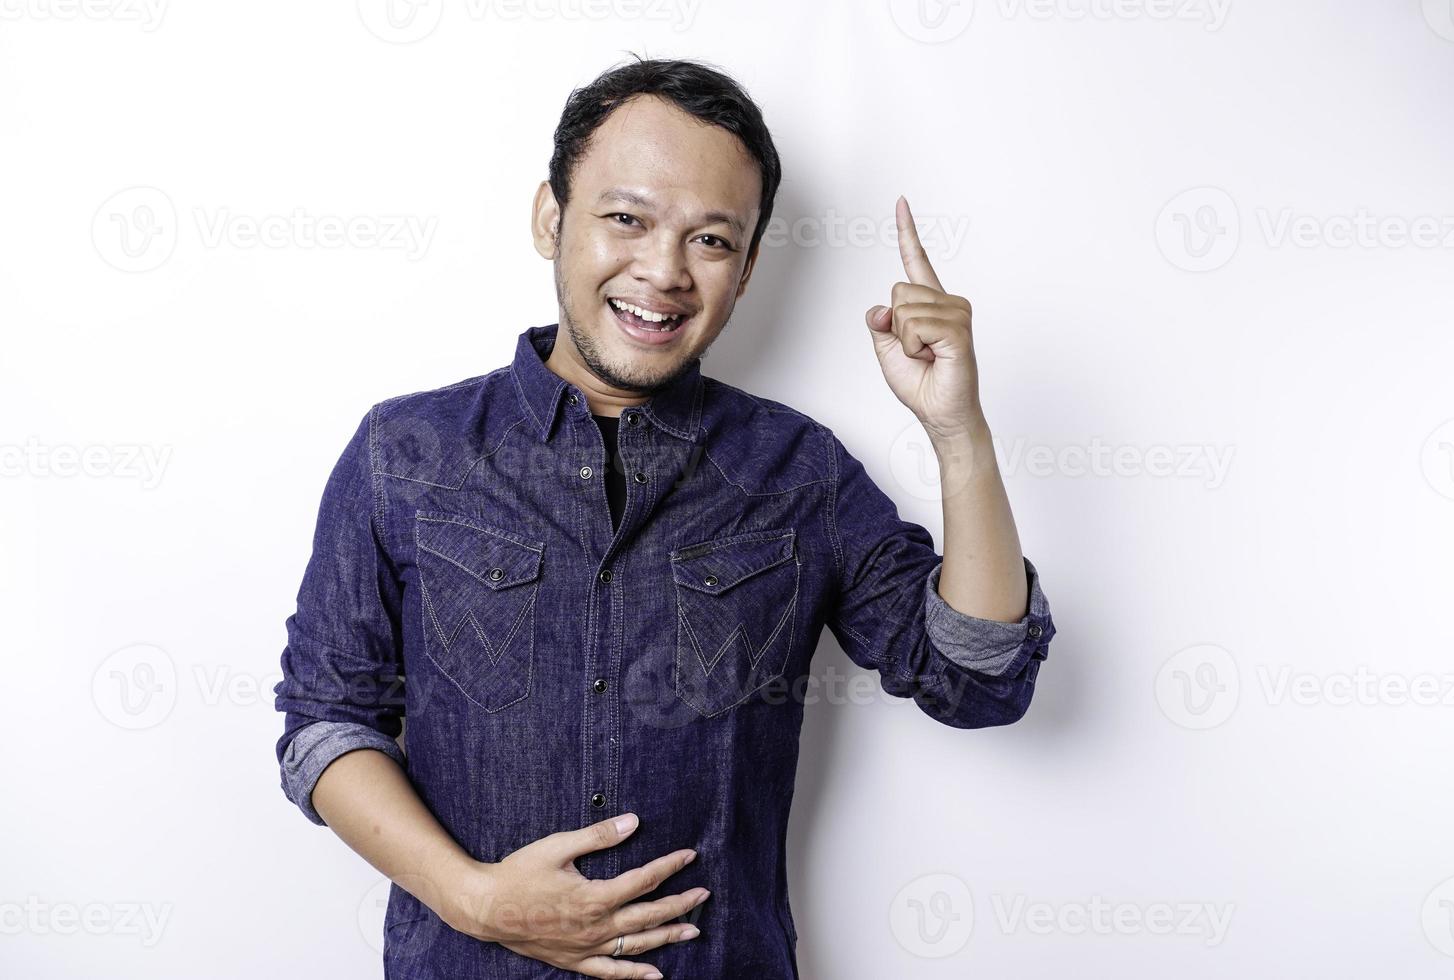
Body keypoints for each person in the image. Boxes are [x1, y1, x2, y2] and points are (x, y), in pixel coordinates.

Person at [272, 55, 1057, 980]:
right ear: (549, 217)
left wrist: (957, 430)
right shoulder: (404, 451)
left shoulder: (799, 471)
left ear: (750, 265)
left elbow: (977, 685)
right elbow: (326, 723)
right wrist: (475, 898)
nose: (664, 270)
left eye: (711, 241)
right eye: (626, 218)